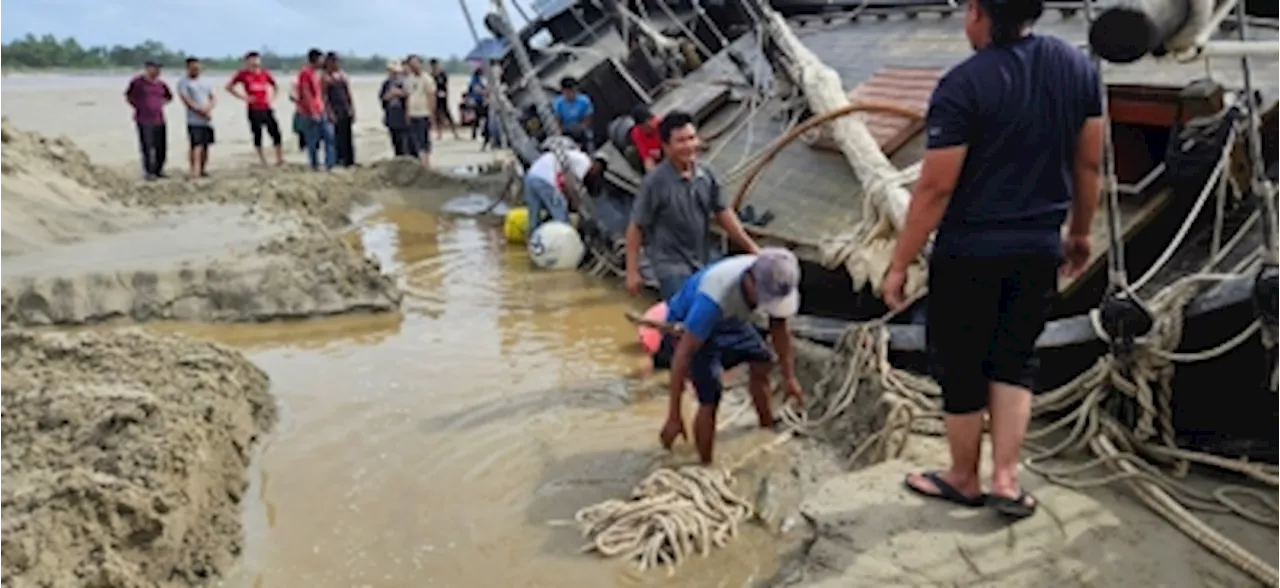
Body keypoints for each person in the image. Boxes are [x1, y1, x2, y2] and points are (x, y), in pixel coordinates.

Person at [880, 0, 1103, 520]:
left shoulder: (964, 83)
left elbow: (934, 188)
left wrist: (898, 264)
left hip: (970, 251)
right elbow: (1090, 160)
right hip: (1038, 247)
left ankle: (963, 477)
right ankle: (1006, 479)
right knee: (1015, 360)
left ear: (979, 13)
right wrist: (1082, 231)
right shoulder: (1076, 68)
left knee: (961, 367)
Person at [655, 248, 806, 465]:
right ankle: (705, 465)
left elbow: (779, 329)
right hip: (689, 324)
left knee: (763, 360)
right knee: (711, 395)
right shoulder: (713, 299)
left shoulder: (773, 274)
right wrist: (674, 415)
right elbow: (682, 356)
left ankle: (767, 425)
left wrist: (790, 378)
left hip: (730, 318)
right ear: (750, 281)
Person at [625, 110, 760, 301]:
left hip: (702, 256)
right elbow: (636, 226)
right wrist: (632, 271)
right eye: (681, 141)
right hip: (670, 263)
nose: (689, 146)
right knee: (684, 315)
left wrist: (752, 247)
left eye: (692, 138)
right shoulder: (655, 182)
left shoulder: (706, 174)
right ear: (666, 146)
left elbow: (723, 213)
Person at [522, 146, 603, 237]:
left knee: (534, 217)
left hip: (532, 175)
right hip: (546, 177)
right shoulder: (585, 163)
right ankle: (565, 239)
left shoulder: (575, 157)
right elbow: (572, 188)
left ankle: (535, 243)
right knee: (560, 209)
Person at [226, 51, 284, 166]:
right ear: (247, 62)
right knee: (258, 134)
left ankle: (279, 158)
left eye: (257, 60)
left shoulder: (265, 73)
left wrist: (272, 98)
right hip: (253, 109)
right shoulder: (243, 74)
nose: (255, 63)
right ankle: (263, 160)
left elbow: (275, 85)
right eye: (252, 61)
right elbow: (229, 87)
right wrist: (244, 97)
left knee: (276, 133)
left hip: (266, 107)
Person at [125, 60, 172, 180]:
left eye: (159, 69)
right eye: (155, 68)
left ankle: (159, 170)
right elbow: (129, 96)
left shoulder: (161, 84)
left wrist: (159, 104)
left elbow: (169, 97)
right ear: (147, 68)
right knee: (147, 146)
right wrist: (139, 106)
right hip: (144, 119)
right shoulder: (138, 82)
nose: (157, 71)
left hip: (159, 119)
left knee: (161, 146)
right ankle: (149, 171)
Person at [296, 48, 336, 171]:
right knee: (313, 141)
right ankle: (314, 165)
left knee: (330, 137)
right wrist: (312, 111)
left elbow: (320, 93)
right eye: (321, 59)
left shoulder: (317, 73)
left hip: (321, 110)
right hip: (310, 113)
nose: (323, 61)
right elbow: (306, 93)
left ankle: (330, 164)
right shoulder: (305, 73)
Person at [176, 57, 215, 178]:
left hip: (207, 119)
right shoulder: (184, 82)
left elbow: (212, 97)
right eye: (193, 68)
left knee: (206, 145)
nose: (196, 70)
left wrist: (209, 108)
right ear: (188, 68)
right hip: (194, 119)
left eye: (198, 68)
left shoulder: (206, 82)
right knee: (195, 145)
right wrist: (199, 110)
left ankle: (203, 169)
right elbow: (186, 100)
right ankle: (194, 170)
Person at [322, 52, 356, 167]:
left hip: (344, 108)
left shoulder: (342, 76)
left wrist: (352, 108)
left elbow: (348, 94)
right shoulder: (326, 77)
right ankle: (339, 159)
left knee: (348, 135)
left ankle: (349, 160)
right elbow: (324, 96)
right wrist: (329, 112)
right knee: (337, 136)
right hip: (335, 108)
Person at [404, 54, 437, 168]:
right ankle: (419, 163)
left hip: (424, 113)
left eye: (415, 63)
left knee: (424, 140)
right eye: (411, 64)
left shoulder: (427, 79)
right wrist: (407, 112)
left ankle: (426, 163)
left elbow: (431, 96)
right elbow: (408, 96)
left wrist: (432, 114)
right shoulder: (409, 79)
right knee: (414, 140)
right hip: (413, 113)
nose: (414, 66)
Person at [553, 76, 594, 151]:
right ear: (563, 91)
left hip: (581, 129)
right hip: (567, 131)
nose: (571, 93)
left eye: (573, 90)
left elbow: (587, 119)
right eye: (568, 91)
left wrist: (580, 129)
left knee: (588, 139)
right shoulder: (558, 103)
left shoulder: (584, 101)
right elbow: (558, 121)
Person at [380, 60, 412, 157]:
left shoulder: (404, 81)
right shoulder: (386, 84)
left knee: (405, 142)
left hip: (402, 117)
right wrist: (388, 96)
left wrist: (399, 93)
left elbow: (409, 95)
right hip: (391, 116)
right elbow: (382, 98)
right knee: (395, 142)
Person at [430, 58, 461, 141]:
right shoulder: (431, 75)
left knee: (448, 114)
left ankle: (455, 133)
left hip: (443, 97)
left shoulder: (443, 74)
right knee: (437, 116)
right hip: (435, 97)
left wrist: (446, 94)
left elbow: (445, 85)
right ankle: (439, 133)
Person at [629, 104, 662, 173]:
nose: (651, 126)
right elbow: (647, 159)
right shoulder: (637, 133)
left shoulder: (661, 124)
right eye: (646, 126)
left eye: (651, 120)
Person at [466, 67, 489, 144]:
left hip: (475, 100)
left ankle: (474, 134)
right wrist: (485, 92)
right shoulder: (476, 80)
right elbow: (477, 89)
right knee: (481, 116)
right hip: (477, 100)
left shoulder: (474, 79)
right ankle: (480, 133)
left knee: (476, 118)